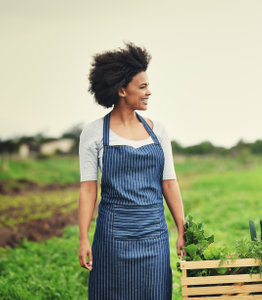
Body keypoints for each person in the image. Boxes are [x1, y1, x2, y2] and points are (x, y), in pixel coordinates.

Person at [78, 42, 185, 300]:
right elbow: (88, 189)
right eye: (143, 86)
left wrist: (182, 229)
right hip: (112, 236)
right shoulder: (93, 133)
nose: (149, 92)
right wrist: (83, 237)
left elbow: (169, 183)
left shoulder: (157, 130)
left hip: (154, 234)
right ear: (122, 90)